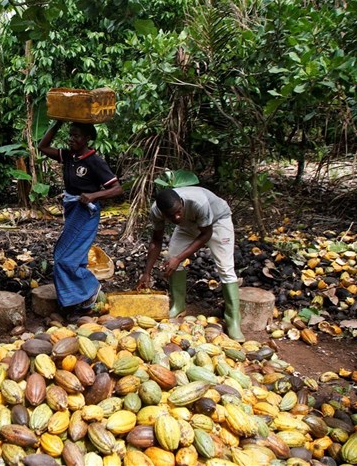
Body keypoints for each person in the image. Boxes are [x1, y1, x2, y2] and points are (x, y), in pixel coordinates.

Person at [136, 187, 244, 341]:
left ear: (181, 202)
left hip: (217, 220)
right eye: (171, 216)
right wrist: (146, 273)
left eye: (179, 211)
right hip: (187, 225)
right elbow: (156, 240)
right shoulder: (156, 211)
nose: (177, 216)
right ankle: (178, 306)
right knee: (172, 257)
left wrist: (179, 258)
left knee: (225, 267)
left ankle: (233, 319)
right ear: (163, 214)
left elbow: (206, 234)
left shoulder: (198, 202)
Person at [38, 120, 123, 315]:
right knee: (76, 256)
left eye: (76, 136)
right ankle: (82, 302)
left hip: (86, 211)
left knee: (62, 257)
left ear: (87, 139)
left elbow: (117, 189)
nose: (71, 139)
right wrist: (58, 122)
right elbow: (42, 147)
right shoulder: (69, 156)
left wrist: (94, 195)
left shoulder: (94, 161)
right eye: (70, 135)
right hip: (71, 208)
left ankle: (89, 289)